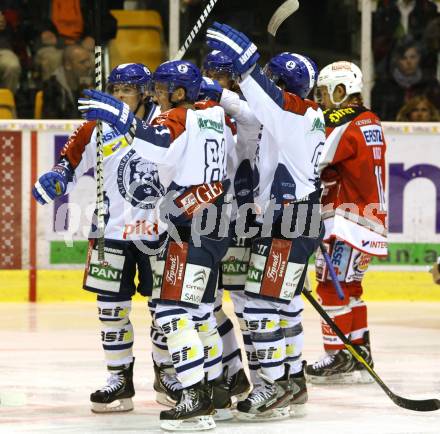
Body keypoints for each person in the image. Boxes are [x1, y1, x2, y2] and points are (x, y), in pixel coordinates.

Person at [79, 59, 235, 430]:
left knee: (171, 314)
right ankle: (217, 396)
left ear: (179, 93)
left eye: (162, 89)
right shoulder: (212, 116)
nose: (157, 95)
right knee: (199, 315)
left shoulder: (176, 120)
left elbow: (151, 148)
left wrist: (124, 119)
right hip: (215, 223)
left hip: (189, 229)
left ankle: (195, 398)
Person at [206, 23, 324, 419]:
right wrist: (216, 91)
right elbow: (247, 108)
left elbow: (261, 99)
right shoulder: (301, 115)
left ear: (283, 85)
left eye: (273, 80)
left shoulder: (291, 114)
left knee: (258, 305)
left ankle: (271, 385)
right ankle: (292, 381)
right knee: (285, 304)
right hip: (293, 219)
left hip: (290, 222)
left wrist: (246, 68)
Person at [32, 63, 165, 413]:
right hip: (110, 232)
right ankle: (119, 379)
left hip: (160, 232)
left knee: (165, 312)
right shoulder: (96, 126)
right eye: (116, 89)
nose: (120, 95)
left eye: (128, 90)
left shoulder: (167, 120)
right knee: (110, 311)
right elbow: (68, 164)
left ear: (146, 92)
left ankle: (167, 375)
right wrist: (56, 179)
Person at [307, 61, 388, 384]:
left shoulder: (346, 123)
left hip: (347, 220)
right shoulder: (371, 120)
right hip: (369, 220)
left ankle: (337, 353)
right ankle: (358, 350)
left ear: (341, 91)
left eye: (325, 93)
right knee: (351, 287)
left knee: (330, 286)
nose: (323, 100)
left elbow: (314, 157)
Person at [372, 39, 440, 120]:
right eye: (403, 58)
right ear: (397, 60)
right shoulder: (383, 85)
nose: (409, 62)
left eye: (413, 57)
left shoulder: (430, 84)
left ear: (419, 58)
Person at [41, 43, 93, 118]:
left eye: (88, 61)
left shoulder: (87, 85)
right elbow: (51, 119)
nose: (88, 65)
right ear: (67, 65)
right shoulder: (52, 86)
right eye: (82, 62)